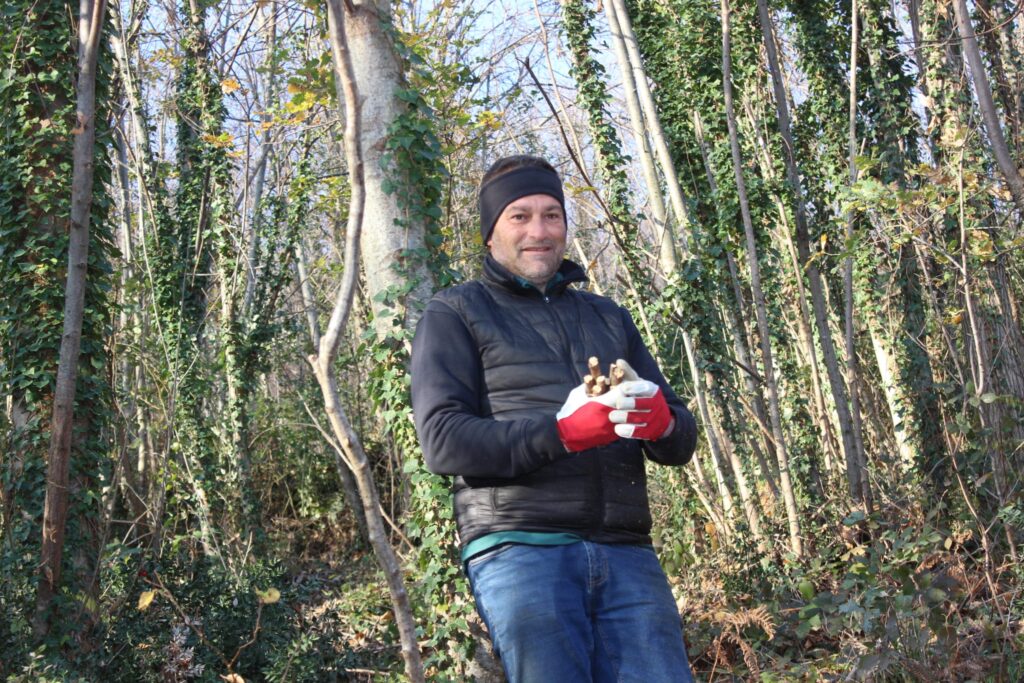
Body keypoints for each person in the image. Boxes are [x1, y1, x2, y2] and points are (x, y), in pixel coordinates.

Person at [410, 154, 698, 682]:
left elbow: (679, 439)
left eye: (551, 215)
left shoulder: (607, 316)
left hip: (626, 550)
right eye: (519, 216)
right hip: (521, 549)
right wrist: (561, 434)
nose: (538, 231)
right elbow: (443, 442)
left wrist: (663, 424)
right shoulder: (456, 312)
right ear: (490, 233)